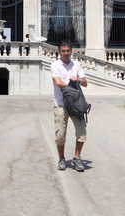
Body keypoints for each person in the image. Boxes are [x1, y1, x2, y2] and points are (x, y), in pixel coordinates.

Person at [51, 39, 88, 172]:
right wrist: (70, 86)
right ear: (59, 52)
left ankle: (77, 157)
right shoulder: (55, 65)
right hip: (61, 103)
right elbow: (58, 82)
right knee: (60, 134)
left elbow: (85, 83)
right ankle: (61, 158)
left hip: (76, 104)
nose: (66, 53)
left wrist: (78, 79)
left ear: (71, 51)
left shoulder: (76, 65)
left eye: (68, 51)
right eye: (63, 51)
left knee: (82, 132)